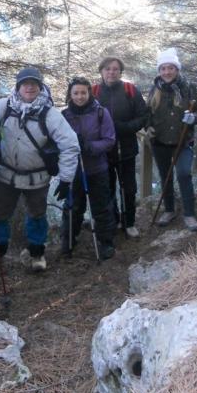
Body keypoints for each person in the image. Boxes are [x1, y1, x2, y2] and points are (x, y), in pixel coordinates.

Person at [0, 67, 79, 272]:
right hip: (6, 175)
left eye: (34, 84)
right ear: (18, 87)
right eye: (25, 84)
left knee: (37, 214)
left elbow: (70, 145)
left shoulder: (50, 114)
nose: (29, 87)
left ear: (40, 87)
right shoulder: (3, 107)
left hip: (37, 178)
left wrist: (66, 178)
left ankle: (37, 253)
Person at [146, 48, 197, 231]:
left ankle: (189, 214)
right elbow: (147, 112)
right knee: (166, 176)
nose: (166, 72)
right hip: (160, 141)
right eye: (163, 68)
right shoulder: (155, 89)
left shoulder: (189, 87)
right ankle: (169, 209)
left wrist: (193, 118)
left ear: (176, 69)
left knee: (184, 174)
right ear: (159, 71)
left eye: (170, 68)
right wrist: (148, 126)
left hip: (183, 140)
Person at [60, 77, 117, 258]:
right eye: (76, 93)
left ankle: (106, 241)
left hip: (97, 168)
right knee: (73, 206)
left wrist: (89, 146)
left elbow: (109, 140)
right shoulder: (64, 116)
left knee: (101, 206)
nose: (79, 96)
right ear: (70, 94)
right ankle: (68, 239)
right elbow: (57, 140)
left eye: (83, 92)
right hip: (74, 169)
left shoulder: (101, 113)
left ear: (89, 93)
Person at [92, 56, 148, 238]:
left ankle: (129, 222)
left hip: (126, 148)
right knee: (107, 188)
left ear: (120, 72)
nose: (111, 72)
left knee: (129, 188)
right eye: (108, 69)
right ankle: (113, 220)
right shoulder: (93, 91)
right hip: (103, 151)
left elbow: (143, 116)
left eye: (115, 69)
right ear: (101, 71)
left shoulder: (130, 90)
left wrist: (124, 128)